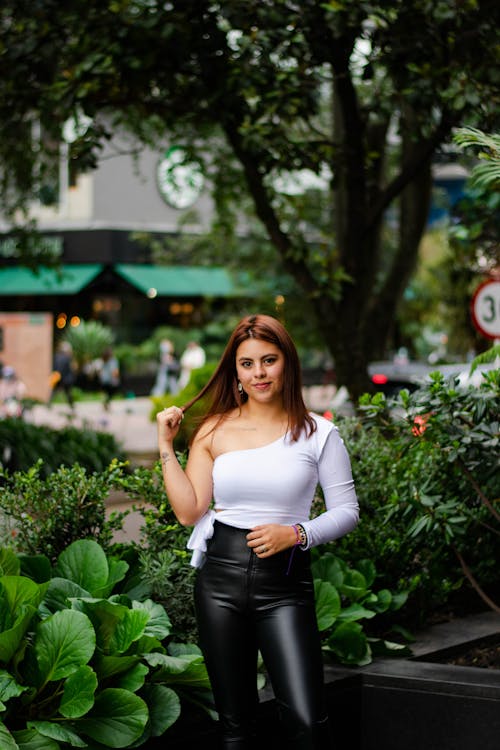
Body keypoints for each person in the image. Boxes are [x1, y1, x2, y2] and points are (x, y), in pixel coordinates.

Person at [157, 314, 359, 749]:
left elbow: (347, 512)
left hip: (284, 584)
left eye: (269, 360)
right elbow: (190, 511)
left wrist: (298, 534)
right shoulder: (214, 428)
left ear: (287, 363)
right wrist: (165, 447)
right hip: (219, 582)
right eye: (247, 364)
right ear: (236, 371)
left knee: (307, 721)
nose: (260, 373)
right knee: (235, 727)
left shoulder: (318, 432)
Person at [50, 341, 75, 408]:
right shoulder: (67, 358)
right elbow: (69, 369)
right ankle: (71, 405)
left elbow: (54, 366)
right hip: (65, 378)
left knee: (54, 391)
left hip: (57, 376)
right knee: (68, 392)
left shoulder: (56, 356)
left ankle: (49, 403)